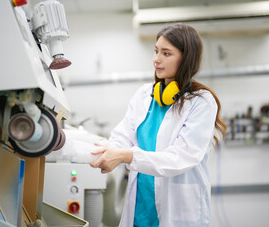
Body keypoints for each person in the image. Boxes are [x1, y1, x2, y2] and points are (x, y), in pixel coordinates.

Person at [90, 23, 226, 227]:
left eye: (166, 53)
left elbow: (181, 157)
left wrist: (127, 156)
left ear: (186, 58)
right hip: (142, 207)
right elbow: (122, 135)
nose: (156, 59)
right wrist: (108, 150)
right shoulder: (145, 95)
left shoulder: (202, 102)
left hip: (177, 210)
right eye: (155, 51)